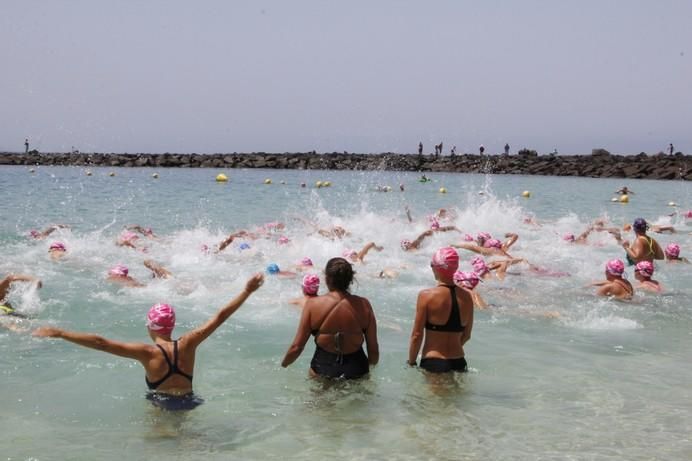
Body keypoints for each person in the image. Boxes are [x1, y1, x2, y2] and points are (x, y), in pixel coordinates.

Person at [33, 273, 264, 411]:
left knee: (161, 445)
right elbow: (220, 316)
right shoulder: (188, 344)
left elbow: (100, 342)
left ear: (150, 326)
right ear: (171, 325)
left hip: (161, 405)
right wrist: (247, 291)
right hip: (190, 402)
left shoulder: (147, 352)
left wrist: (61, 333)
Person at [281, 257, 378, 379]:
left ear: (327, 279)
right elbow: (373, 350)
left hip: (323, 367)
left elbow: (297, 347)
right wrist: (369, 368)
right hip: (357, 367)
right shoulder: (364, 304)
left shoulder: (313, 305)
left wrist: (284, 365)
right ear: (350, 279)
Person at [408, 247, 473, 373]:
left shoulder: (426, 296)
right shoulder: (467, 297)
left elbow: (417, 335)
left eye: (431, 264)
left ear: (437, 267)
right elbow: (467, 335)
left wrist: (411, 362)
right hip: (459, 362)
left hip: (434, 362)